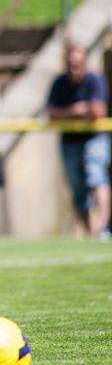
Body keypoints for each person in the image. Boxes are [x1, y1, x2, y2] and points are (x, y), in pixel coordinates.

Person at [47, 43, 110, 239]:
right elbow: (50, 112)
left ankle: (104, 226)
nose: (74, 67)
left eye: (78, 63)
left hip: (94, 138)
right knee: (78, 189)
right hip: (70, 141)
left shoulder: (95, 80)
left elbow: (99, 111)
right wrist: (77, 110)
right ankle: (90, 232)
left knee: (96, 176)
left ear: (84, 62)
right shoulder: (59, 83)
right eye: (70, 63)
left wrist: (68, 112)